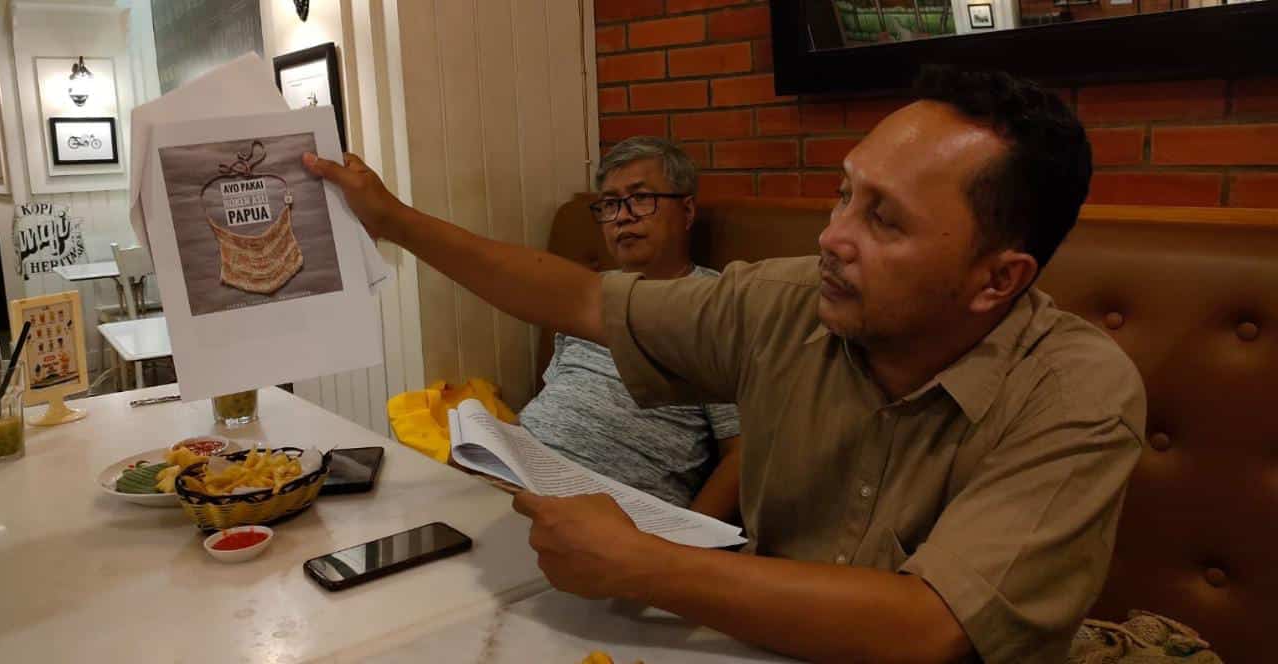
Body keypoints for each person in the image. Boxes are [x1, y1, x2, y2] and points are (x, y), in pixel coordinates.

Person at [304, 68, 1146, 663]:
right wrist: (394, 220)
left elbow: (930, 627)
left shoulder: (1077, 391)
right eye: (844, 194)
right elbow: (584, 301)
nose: (833, 236)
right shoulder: (786, 302)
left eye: (884, 220)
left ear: (997, 280)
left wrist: (645, 563)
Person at [518, 136, 742, 519]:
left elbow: (741, 454)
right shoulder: (586, 292)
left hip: (608, 515)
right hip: (515, 476)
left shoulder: (716, 305)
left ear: (687, 211)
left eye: (640, 198)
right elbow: (555, 399)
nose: (622, 217)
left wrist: (683, 545)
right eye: (610, 204)